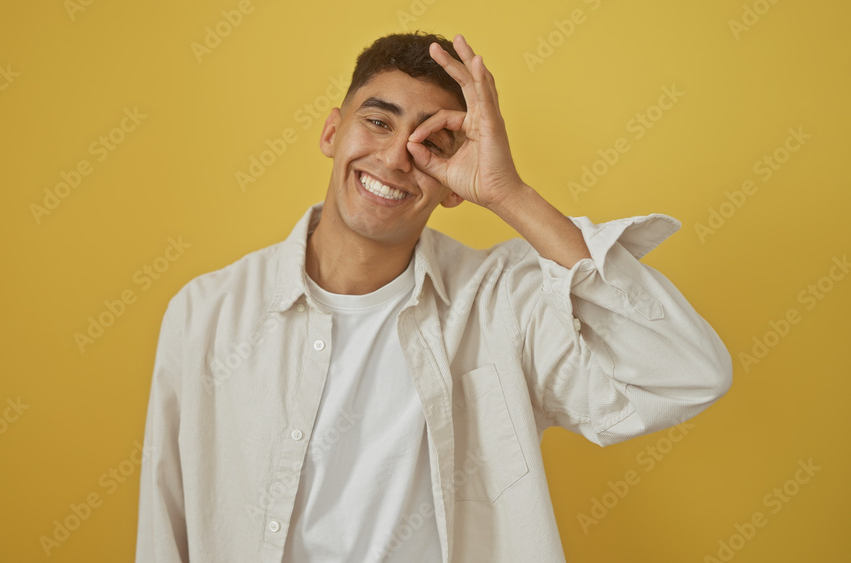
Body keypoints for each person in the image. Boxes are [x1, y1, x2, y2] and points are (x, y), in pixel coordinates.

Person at [135, 31, 732, 562]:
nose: (396, 158)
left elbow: (686, 373)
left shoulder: (500, 305)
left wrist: (508, 193)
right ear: (331, 132)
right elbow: (167, 519)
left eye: (433, 144)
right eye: (378, 121)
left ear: (454, 185)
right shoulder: (207, 312)